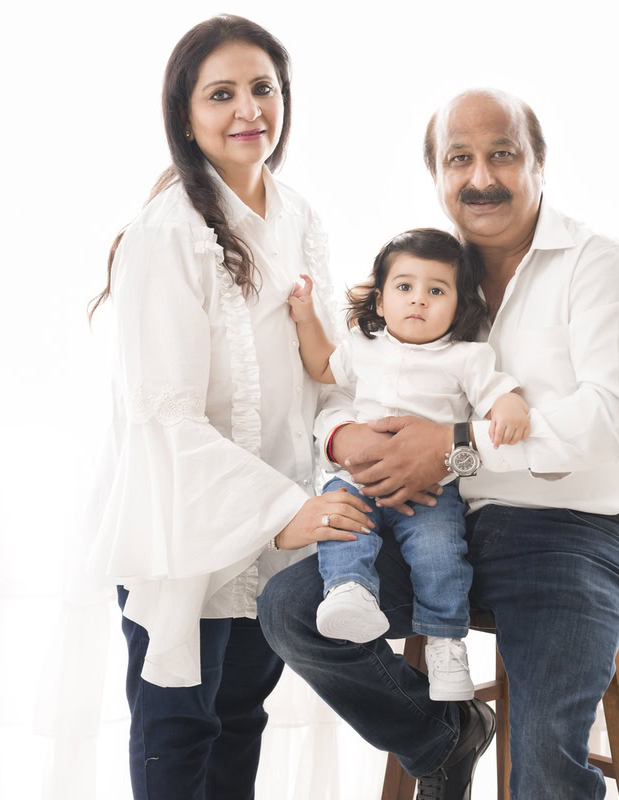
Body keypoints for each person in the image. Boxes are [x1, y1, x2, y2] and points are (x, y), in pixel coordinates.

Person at [259, 89, 619, 800]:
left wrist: (455, 448)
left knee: (541, 771)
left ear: (539, 162)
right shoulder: (422, 274)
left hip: (573, 536)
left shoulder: (601, 266)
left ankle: (500, 753)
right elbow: (352, 385)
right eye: (459, 159)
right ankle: (443, 738)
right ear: (438, 176)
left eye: (502, 154)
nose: (481, 178)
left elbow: (607, 421)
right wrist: (344, 436)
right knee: (290, 609)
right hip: (438, 523)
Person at [82, 15, 402, 800]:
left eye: (262, 88)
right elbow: (166, 418)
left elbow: (323, 375)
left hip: (278, 528)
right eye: (220, 94)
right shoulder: (165, 234)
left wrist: (350, 441)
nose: (247, 109)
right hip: (184, 527)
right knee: (178, 731)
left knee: (240, 718)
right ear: (184, 116)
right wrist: (281, 510)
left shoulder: (301, 218)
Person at [285, 227, 530, 701]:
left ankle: (445, 643)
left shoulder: (467, 357)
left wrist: (511, 406)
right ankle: (349, 591)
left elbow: (498, 391)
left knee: (440, 553)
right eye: (404, 288)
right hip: (361, 479)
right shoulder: (363, 346)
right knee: (337, 515)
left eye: (435, 291)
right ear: (380, 302)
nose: (418, 301)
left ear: (459, 307)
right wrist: (305, 314)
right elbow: (320, 365)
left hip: (430, 490)